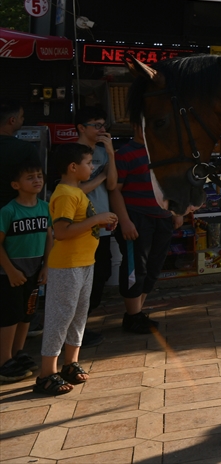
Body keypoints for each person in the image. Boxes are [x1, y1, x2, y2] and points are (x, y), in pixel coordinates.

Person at [35, 143, 117, 396]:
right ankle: (47, 373)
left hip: (84, 263)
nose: (91, 167)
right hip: (67, 266)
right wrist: (97, 219)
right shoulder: (65, 195)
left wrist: (100, 223)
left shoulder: (76, 192)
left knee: (79, 314)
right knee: (60, 317)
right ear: (73, 167)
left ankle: (70, 363)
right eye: (88, 163)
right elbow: (60, 232)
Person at [111, 127, 176, 334]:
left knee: (154, 268)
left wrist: (178, 211)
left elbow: (172, 183)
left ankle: (137, 313)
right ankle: (133, 316)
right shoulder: (124, 154)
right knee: (135, 268)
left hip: (163, 217)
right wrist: (125, 221)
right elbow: (114, 190)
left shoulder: (164, 151)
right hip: (136, 218)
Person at [0, 158, 51, 383]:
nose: (36, 180)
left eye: (39, 176)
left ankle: (19, 353)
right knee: (9, 317)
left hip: (34, 272)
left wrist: (47, 267)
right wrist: (10, 270)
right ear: (15, 185)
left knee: (26, 314)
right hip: (10, 274)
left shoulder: (45, 207)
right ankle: (4, 360)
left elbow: (50, 238)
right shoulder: (8, 211)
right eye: (30, 177)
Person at [74, 107, 117, 346]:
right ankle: (77, 328)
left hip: (102, 225)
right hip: (80, 226)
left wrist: (110, 154)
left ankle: (80, 324)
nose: (102, 130)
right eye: (96, 125)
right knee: (83, 279)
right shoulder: (71, 153)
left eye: (103, 125)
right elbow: (74, 189)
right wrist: (99, 176)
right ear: (81, 128)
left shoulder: (103, 151)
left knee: (102, 273)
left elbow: (112, 184)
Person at [0, 101, 38, 211]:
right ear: (12, 120)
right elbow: (35, 182)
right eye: (21, 117)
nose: (23, 120)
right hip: (15, 212)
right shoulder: (25, 149)